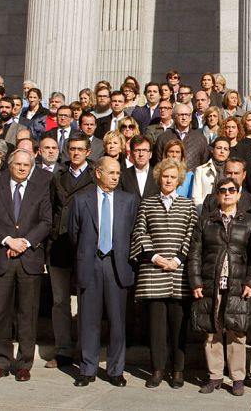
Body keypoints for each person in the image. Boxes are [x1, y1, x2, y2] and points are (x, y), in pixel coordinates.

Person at [0, 149, 52, 382]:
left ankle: (24, 363)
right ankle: (1, 361)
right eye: (18, 164)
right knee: (0, 313)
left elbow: (45, 222)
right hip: (1, 257)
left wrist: (25, 242)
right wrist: (8, 240)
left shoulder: (40, 190)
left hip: (28, 259)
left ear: (32, 167)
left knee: (27, 314)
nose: (22, 168)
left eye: (26, 165)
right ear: (9, 165)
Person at [69, 156, 138, 387]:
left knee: (118, 322)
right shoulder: (81, 200)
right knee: (88, 320)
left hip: (117, 265)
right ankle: (88, 369)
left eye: (118, 173)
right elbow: (74, 234)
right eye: (111, 173)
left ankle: (116, 370)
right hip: (91, 263)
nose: (116, 177)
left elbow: (133, 232)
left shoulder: (128, 201)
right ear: (98, 173)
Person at [131, 158, 199, 389]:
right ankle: (157, 369)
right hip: (154, 271)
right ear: (159, 178)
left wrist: (178, 258)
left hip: (178, 274)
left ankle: (178, 370)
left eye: (172, 177)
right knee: (156, 327)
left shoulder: (188, 206)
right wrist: (155, 257)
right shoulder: (148, 204)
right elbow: (140, 231)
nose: (168, 180)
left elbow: (192, 235)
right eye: (165, 176)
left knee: (179, 326)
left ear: (179, 180)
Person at [188, 177, 251, 396]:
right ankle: (215, 376)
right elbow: (195, 254)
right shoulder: (206, 220)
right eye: (222, 190)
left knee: (237, 329)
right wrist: (196, 281)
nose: (227, 193)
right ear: (217, 195)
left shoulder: (248, 221)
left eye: (231, 190)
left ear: (238, 194)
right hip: (211, 282)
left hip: (238, 283)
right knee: (212, 330)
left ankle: (238, 378)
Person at [45, 134, 95, 369]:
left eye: (80, 149)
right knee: (60, 301)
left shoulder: (95, 175)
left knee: (86, 300)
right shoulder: (58, 176)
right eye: (72, 149)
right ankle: (63, 348)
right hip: (60, 246)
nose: (75, 153)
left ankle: (86, 349)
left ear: (88, 151)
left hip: (86, 247)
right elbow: (50, 209)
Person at [155, 103, 210, 171]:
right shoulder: (163, 138)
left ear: (190, 118)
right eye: (181, 115)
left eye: (187, 115)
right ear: (174, 117)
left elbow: (204, 164)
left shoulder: (200, 138)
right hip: (170, 178)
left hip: (192, 180)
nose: (184, 118)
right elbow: (159, 163)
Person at [192, 137, 230, 207]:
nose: (222, 151)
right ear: (212, 150)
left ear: (228, 152)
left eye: (225, 149)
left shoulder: (232, 171)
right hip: (205, 212)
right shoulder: (200, 170)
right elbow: (196, 198)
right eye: (219, 148)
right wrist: (203, 214)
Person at [119, 135, 159, 201]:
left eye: (144, 150)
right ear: (131, 154)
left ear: (150, 154)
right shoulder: (123, 175)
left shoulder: (158, 175)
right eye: (137, 150)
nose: (141, 154)